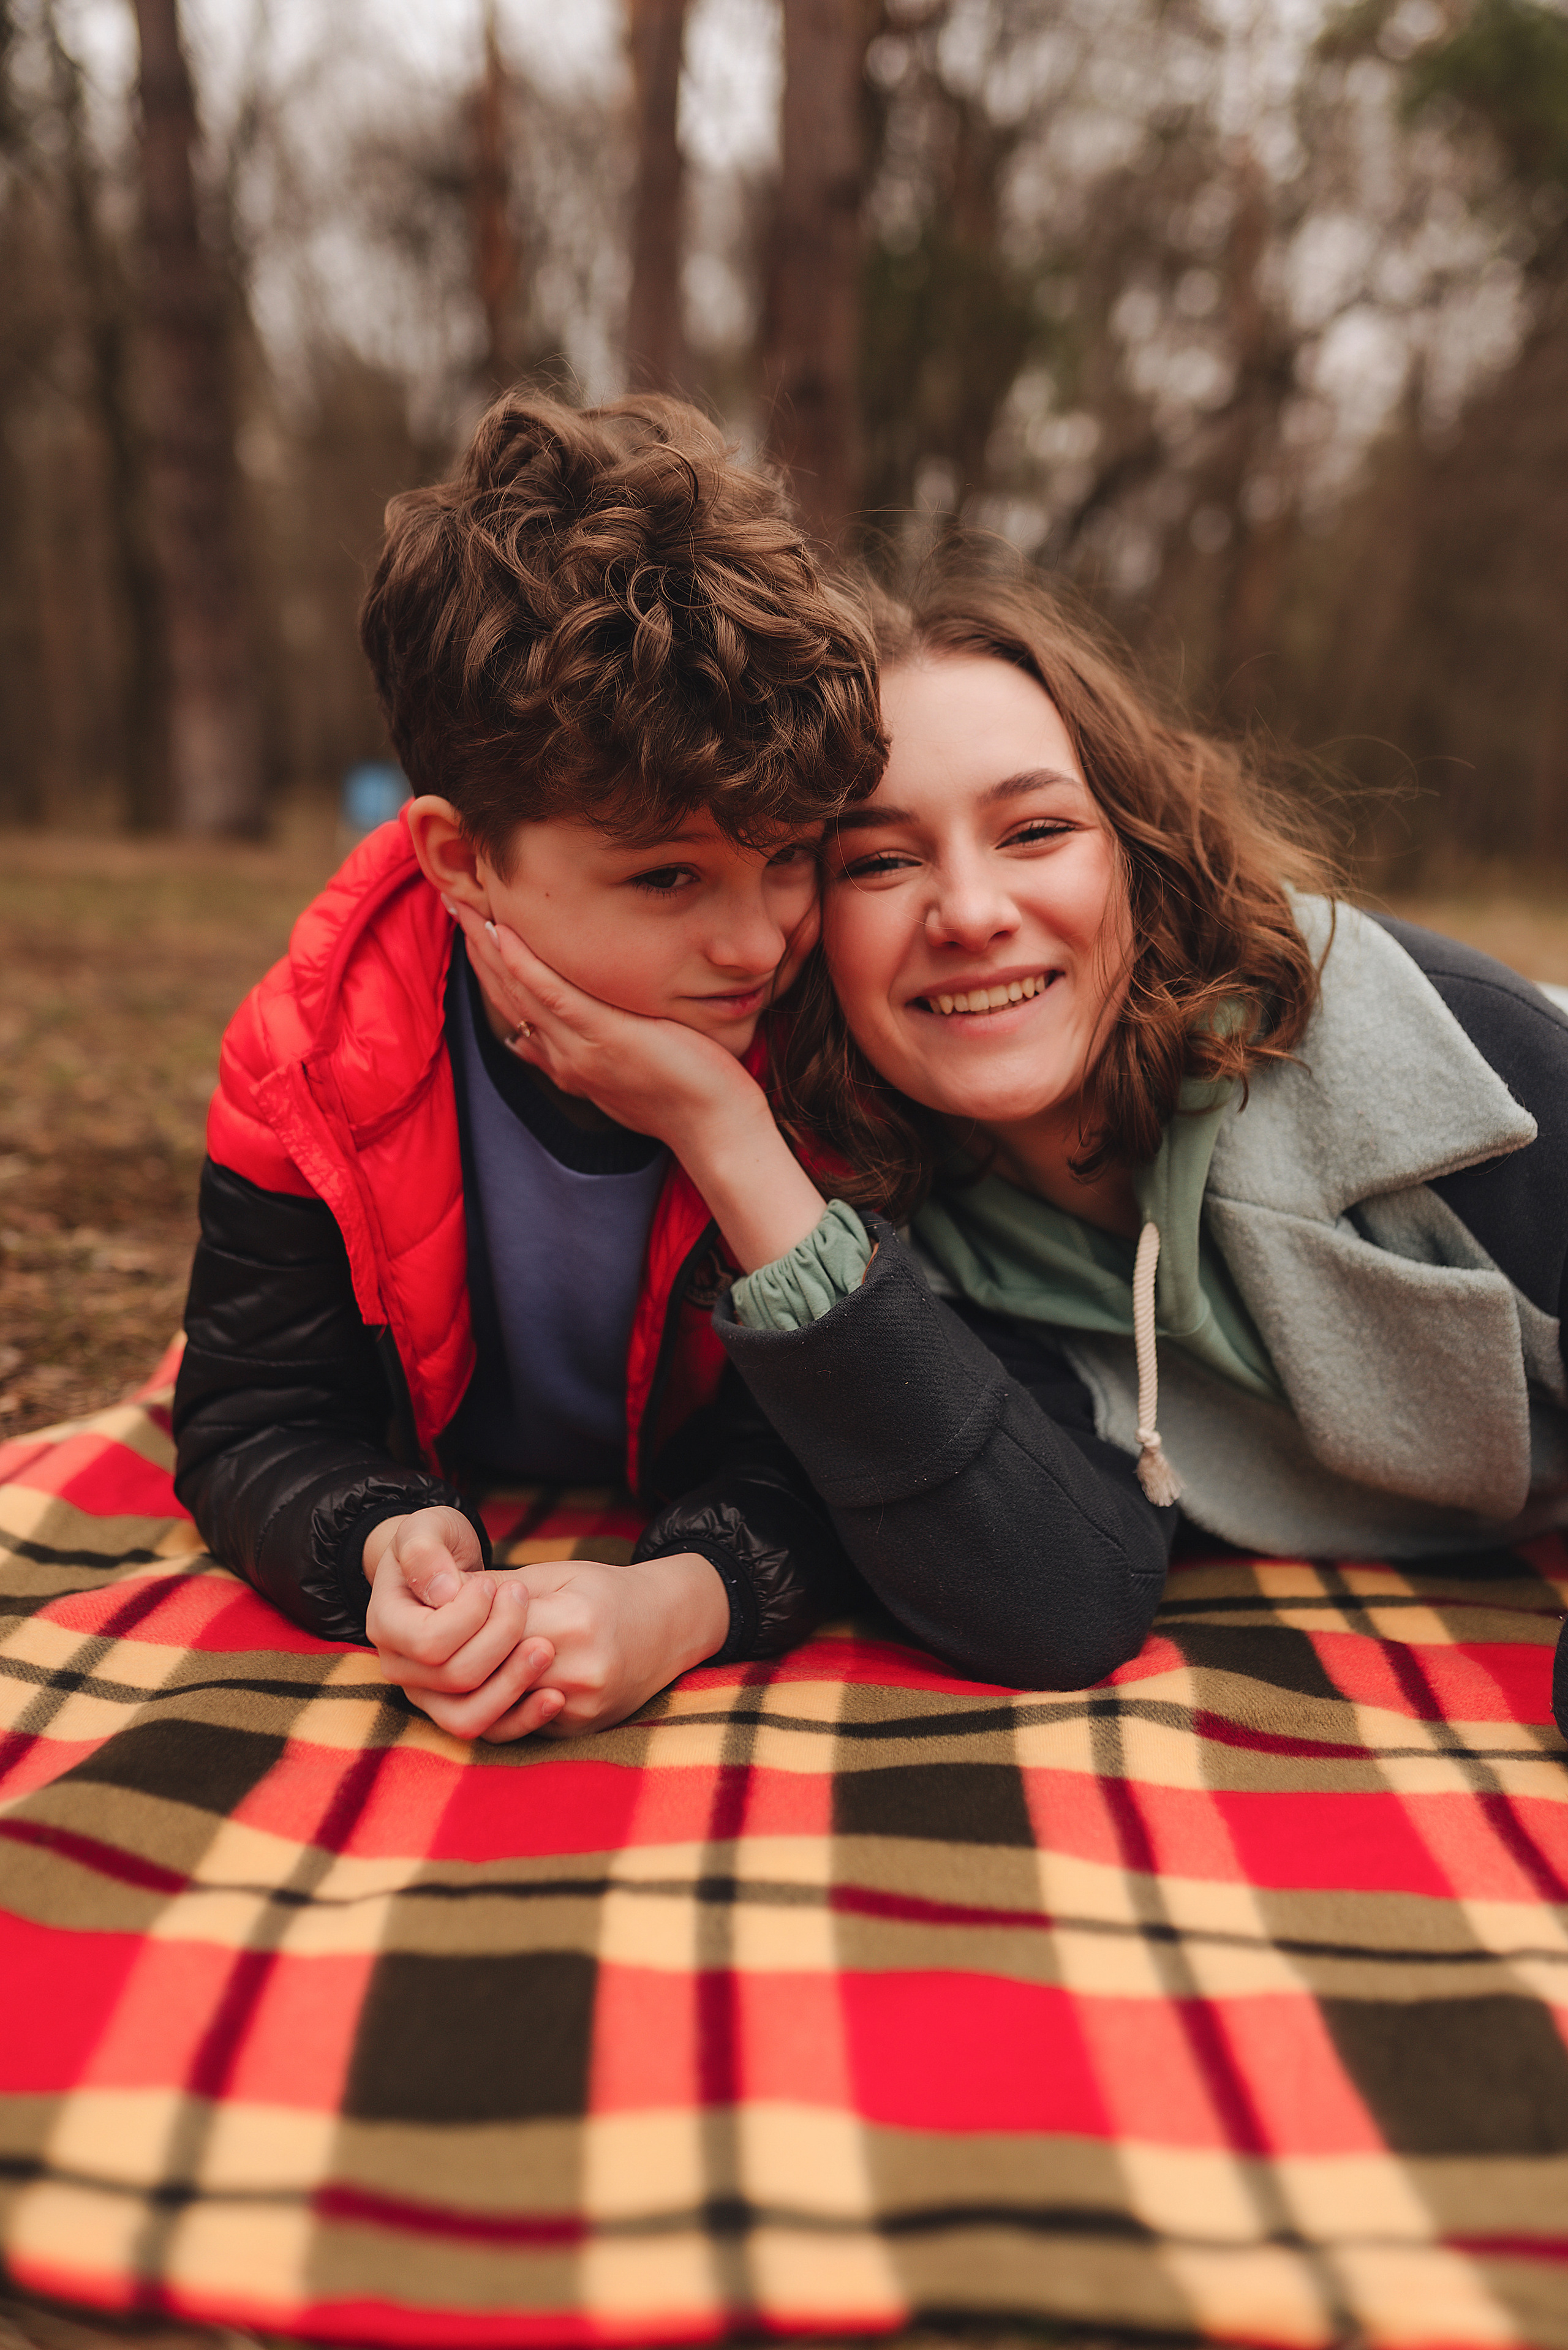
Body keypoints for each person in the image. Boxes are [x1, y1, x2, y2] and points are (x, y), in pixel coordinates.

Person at [456, 563, 1568, 1735]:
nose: (972, 912)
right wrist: (719, 1128)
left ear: (1137, 859)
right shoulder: (922, 1226)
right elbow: (1058, 1599)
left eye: (1036, 830)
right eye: (881, 861)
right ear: (805, 928)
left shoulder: (1436, 1052)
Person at [172, 388, 887, 1741]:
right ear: (460, 857)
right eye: (668, 875)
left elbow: (867, 1447)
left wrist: (684, 1595)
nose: (756, 941)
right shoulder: (309, 1060)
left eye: (787, 852)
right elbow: (252, 1416)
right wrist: (378, 1535)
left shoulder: (847, 1032)